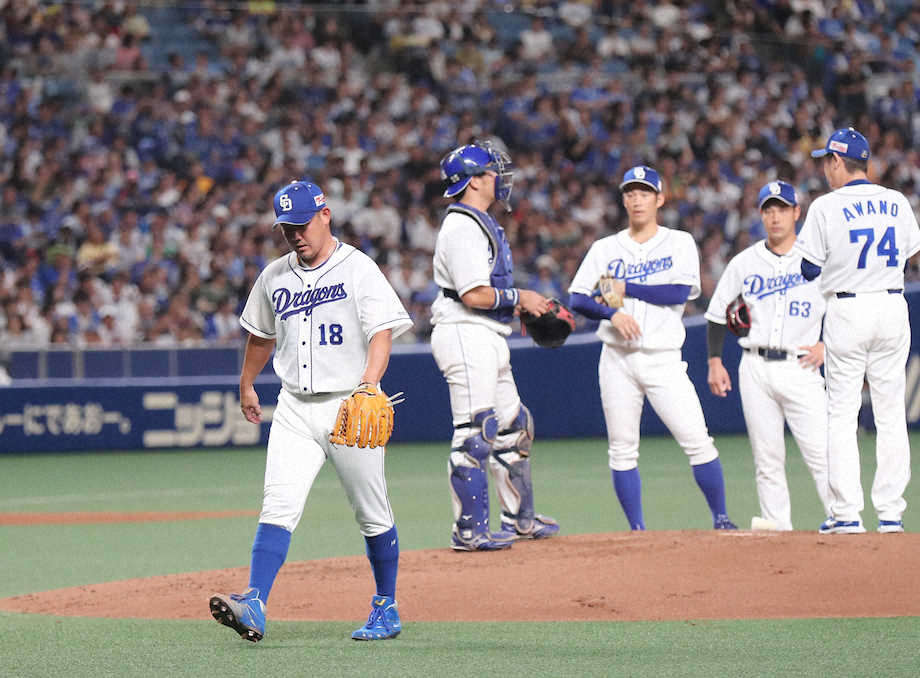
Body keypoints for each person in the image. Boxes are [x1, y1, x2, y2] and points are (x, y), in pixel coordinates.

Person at [209, 180, 413, 642]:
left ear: (325, 216)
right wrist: (246, 382)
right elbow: (261, 335)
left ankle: (386, 606)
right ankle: (254, 602)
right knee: (277, 505)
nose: (295, 235)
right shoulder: (273, 276)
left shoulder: (358, 268)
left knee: (371, 512)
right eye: (287, 228)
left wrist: (369, 384)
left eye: (302, 224)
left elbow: (381, 332)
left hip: (348, 405)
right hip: (294, 408)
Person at [567, 165, 738, 531]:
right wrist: (611, 314)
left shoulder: (678, 242)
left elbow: (679, 292)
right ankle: (637, 530)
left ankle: (721, 519)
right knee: (622, 449)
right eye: (630, 193)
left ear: (660, 199)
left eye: (644, 193)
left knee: (698, 441)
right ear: (624, 200)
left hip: (663, 359)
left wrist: (626, 288)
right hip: (617, 358)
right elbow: (577, 298)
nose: (637, 199)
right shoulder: (605, 248)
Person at [431, 140, 560, 551]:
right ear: (473, 181)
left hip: (485, 333)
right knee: (476, 432)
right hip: (464, 332)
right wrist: (521, 297)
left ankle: (519, 519)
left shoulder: (478, 222)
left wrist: (515, 307)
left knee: (513, 426)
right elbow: (473, 294)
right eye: (491, 171)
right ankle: (468, 530)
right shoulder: (462, 227)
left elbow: (485, 293)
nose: (499, 178)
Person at [795, 128, 920, 534]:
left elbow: (808, 268)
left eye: (827, 161)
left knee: (842, 413)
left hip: (848, 308)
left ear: (837, 161)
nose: (825, 168)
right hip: (891, 304)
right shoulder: (897, 201)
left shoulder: (825, 206)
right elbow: (906, 259)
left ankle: (847, 513)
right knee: (891, 412)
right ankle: (891, 514)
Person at [704, 180, 831, 531]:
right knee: (767, 458)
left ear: (796, 213)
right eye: (768, 210)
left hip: (801, 365)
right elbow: (717, 313)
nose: (775, 217)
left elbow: (844, 306)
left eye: (782, 209)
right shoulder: (744, 262)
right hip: (755, 366)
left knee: (822, 454)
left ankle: (843, 519)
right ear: (761, 215)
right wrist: (715, 360)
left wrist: (828, 345)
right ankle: (777, 526)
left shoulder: (818, 260)